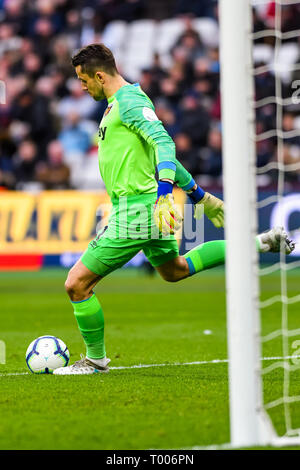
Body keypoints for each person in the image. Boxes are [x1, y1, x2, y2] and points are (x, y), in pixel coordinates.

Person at [53, 43, 295, 375]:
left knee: (76, 283)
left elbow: (165, 142)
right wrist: (200, 196)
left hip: (137, 210)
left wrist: (166, 194)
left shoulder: (129, 102)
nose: (82, 88)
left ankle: (95, 360)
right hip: (148, 207)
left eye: (83, 81)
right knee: (175, 270)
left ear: (98, 75)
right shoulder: (119, 104)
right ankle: (262, 242)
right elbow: (159, 155)